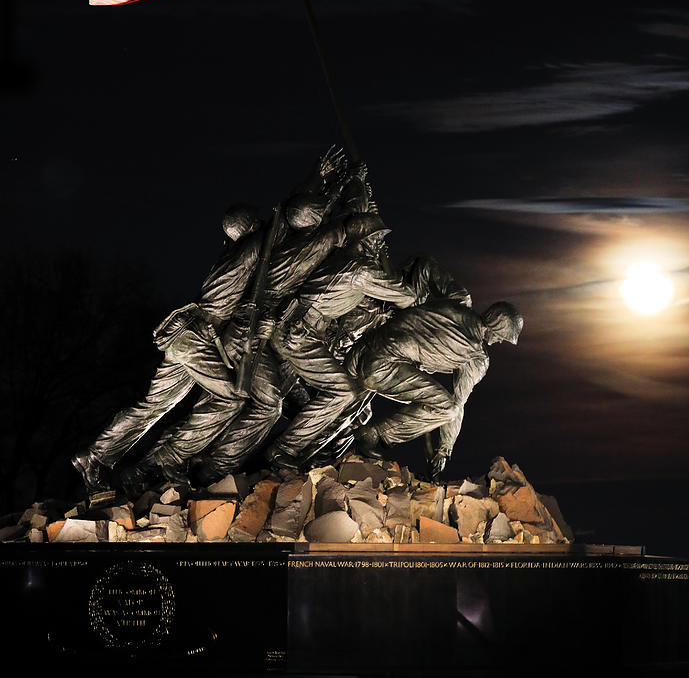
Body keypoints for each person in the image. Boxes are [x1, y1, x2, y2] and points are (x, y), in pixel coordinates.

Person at [72, 148, 349, 494]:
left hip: (183, 334)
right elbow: (284, 218)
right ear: (249, 228)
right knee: (232, 397)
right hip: (195, 336)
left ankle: (94, 456)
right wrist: (317, 178)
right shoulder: (250, 252)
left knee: (152, 406)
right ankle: (171, 459)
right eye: (257, 224)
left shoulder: (229, 253)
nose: (263, 227)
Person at [265, 213, 417, 468]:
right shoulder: (360, 270)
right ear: (365, 241)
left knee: (303, 398)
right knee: (343, 391)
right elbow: (407, 297)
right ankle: (282, 450)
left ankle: (310, 454)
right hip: (301, 334)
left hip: (300, 329)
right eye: (377, 239)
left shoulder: (341, 259)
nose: (380, 245)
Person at [347, 300, 523, 477]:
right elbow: (458, 403)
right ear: (497, 325)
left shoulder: (455, 307)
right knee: (447, 409)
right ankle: (373, 433)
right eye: (503, 336)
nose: (500, 341)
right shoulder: (475, 356)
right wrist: (444, 450)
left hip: (362, 350)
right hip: (380, 368)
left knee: (430, 401)